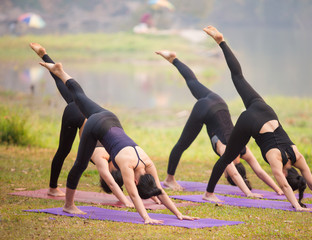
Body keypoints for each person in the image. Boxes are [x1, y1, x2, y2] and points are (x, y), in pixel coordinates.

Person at [34, 48, 198, 224]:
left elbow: (158, 190)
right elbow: (133, 195)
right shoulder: (127, 166)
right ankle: (68, 205)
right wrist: (146, 217)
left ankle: (62, 73)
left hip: (111, 118)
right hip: (94, 126)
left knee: (80, 97)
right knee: (80, 164)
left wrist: (178, 214)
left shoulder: (147, 161)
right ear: (136, 181)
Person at [202, 26, 312, 211]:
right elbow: (287, 186)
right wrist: (298, 206)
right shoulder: (276, 160)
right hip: (250, 121)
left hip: (265, 111)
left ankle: (221, 41)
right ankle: (208, 193)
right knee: (227, 157)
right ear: (287, 174)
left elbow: (310, 182)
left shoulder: (297, 155)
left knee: (238, 77)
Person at [156, 50, 283, 198]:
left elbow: (259, 171)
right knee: (182, 144)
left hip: (219, 102)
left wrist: (278, 189)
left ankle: (174, 59)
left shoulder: (244, 149)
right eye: (226, 173)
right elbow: (236, 174)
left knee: (193, 82)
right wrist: (248, 193)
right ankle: (169, 179)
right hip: (205, 110)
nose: (224, 172)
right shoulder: (226, 151)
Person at [30, 43, 135, 208]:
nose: (117, 165)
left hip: (84, 114)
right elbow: (112, 181)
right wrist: (126, 200)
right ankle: (52, 188)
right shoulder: (103, 157)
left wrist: (129, 195)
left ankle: (45, 56)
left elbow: (123, 177)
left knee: (70, 89)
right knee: (63, 151)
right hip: (77, 116)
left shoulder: (114, 154)